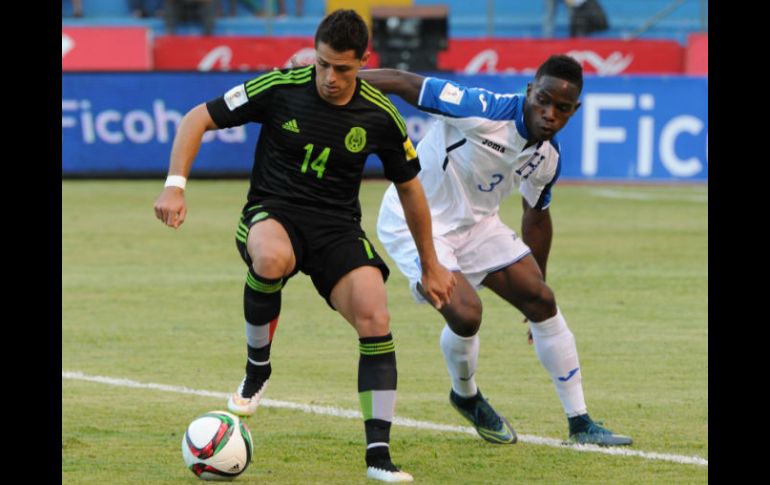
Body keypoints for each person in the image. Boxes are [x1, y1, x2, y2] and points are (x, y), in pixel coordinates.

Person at [153, 9, 455, 482]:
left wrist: (431, 264)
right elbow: (197, 118)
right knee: (271, 257)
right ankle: (258, 369)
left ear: (363, 62)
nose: (330, 78)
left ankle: (378, 457)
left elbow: (412, 191)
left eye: (343, 69)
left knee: (376, 314)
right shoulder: (279, 87)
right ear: (314, 54)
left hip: (336, 228)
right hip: (272, 212)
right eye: (322, 64)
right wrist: (175, 185)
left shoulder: (380, 115)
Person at [359, 55, 633, 447]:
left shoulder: (548, 157)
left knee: (541, 299)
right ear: (529, 91)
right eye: (543, 100)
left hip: (476, 225)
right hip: (416, 220)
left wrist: (536, 279)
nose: (549, 113)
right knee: (467, 315)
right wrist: (342, 79)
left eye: (562, 108)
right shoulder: (479, 109)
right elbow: (405, 82)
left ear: (575, 111)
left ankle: (581, 422)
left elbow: (536, 217)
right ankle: (466, 396)